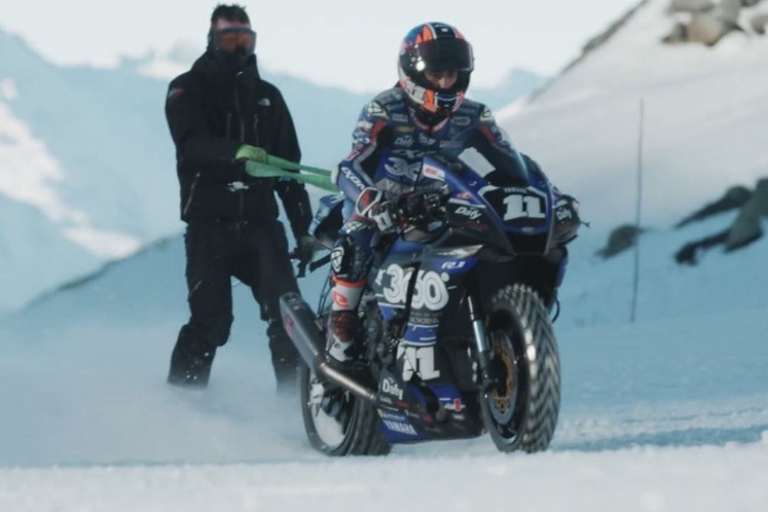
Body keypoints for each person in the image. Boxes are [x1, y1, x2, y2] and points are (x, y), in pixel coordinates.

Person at [325, 22, 580, 370]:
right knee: (358, 235)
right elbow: (351, 163)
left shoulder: (475, 114)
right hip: (387, 204)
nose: (446, 82)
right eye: (437, 73)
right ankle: (342, 327)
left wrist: (549, 195)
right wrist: (370, 199)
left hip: (446, 202)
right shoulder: (383, 109)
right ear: (413, 72)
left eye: (454, 74)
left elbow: (510, 162)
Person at [164, 4, 314, 390]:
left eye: (245, 38)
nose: (238, 47)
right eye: (228, 38)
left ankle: (296, 410)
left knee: (289, 315)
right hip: (208, 224)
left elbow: (289, 170)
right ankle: (182, 405)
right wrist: (235, 152)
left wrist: (304, 232)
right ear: (212, 40)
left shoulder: (268, 97)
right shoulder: (186, 88)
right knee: (210, 322)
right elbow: (190, 144)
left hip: (260, 224)